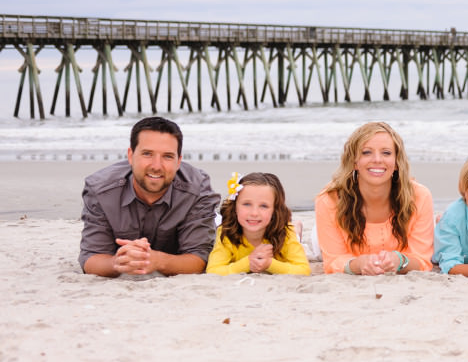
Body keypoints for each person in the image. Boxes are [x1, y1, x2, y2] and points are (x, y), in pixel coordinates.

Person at [79, 116, 219, 276]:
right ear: (130, 156)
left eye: (167, 156)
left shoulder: (197, 189)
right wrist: (117, 263)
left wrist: (157, 261)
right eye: (147, 154)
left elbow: (199, 259)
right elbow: (90, 258)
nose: (156, 166)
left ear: (178, 161)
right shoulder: (101, 189)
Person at [315, 121, 434, 274]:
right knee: (317, 249)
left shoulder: (420, 197)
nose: (377, 159)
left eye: (386, 153)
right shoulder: (329, 200)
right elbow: (333, 261)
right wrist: (358, 264)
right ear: (354, 162)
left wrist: (399, 260)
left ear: (397, 162)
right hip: (328, 236)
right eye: (366, 152)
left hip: (399, 255)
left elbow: (422, 261)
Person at [207, 172, 310, 275]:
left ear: (275, 210)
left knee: (294, 234)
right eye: (247, 204)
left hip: (282, 230)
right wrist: (248, 262)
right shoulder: (227, 232)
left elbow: (303, 270)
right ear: (235, 207)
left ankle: (297, 228)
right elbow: (213, 270)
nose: (254, 213)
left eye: (264, 206)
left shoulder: (286, 233)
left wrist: (269, 264)